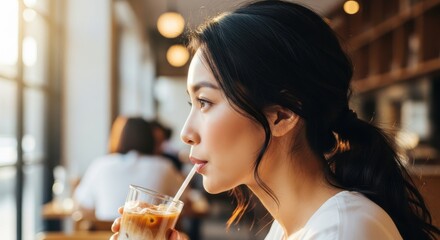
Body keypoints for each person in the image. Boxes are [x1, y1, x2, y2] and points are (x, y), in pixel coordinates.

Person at [111, 1, 440, 239]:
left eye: (205, 102)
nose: (186, 132)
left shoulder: (342, 231)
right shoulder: (289, 227)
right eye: (191, 103)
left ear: (282, 115)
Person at [74, 116, 184, 221]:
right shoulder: (164, 166)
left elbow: (82, 204)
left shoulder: (101, 164)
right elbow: (185, 201)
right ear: (151, 139)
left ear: (119, 138)